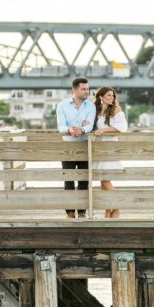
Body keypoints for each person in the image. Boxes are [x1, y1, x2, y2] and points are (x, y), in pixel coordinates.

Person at [56, 77, 96, 218]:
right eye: (83, 89)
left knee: (84, 179)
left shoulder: (91, 106)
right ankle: (70, 212)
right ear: (74, 90)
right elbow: (61, 126)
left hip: (85, 146)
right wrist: (70, 129)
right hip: (68, 147)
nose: (87, 91)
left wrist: (83, 130)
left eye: (87, 89)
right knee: (69, 179)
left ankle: (82, 210)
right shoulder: (62, 106)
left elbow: (89, 125)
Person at [92, 86, 128, 218]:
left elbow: (122, 128)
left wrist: (103, 130)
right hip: (98, 147)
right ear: (101, 97)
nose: (112, 98)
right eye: (108, 95)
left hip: (109, 147)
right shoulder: (96, 110)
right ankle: (108, 210)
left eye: (112, 95)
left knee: (105, 180)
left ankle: (118, 206)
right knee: (102, 181)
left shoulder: (117, 110)